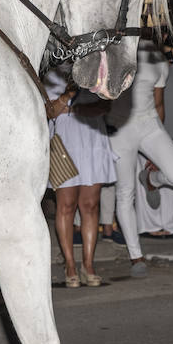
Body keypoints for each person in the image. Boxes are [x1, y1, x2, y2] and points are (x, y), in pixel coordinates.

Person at [108, 37, 173, 277]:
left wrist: (157, 148)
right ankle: (136, 256)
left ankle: (152, 179)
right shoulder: (114, 51)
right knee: (125, 193)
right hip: (121, 129)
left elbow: (159, 103)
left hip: (150, 124)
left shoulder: (157, 58)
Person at [46, 67, 115, 287]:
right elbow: (50, 111)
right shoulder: (51, 75)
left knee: (90, 205)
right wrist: (67, 96)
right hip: (65, 142)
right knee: (66, 205)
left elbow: (104, 105)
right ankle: (70, 265)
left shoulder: (95, 70)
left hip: (92, 138)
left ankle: (88, 264)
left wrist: (76, 110)